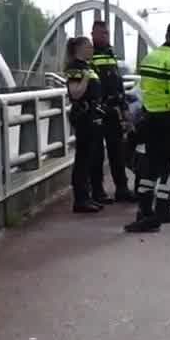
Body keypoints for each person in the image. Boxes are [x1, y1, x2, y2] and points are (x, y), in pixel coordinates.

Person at [123, 21, 170, 233]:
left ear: (166, 34)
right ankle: (162, 210)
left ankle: (145, 212)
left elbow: (144, 88)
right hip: (169, 119)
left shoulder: (149, 57)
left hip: (150, 117)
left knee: (150, 166)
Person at [87, 18, 135, 203]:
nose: (106, 36)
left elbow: (117, 83)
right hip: (98, 111)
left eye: (107, 33)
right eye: (102, 33)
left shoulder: (110, 53)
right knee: (97, 154)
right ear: (93, 34)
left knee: (117, 151)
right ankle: (98, 191)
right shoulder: (89, 55)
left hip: (114, 110)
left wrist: (124, 107)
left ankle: (121, 189)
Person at [64, 35, 106, 214]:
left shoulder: (87, 67)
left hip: (93, 116)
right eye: (89, 46)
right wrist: (86, 79)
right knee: (83, 158)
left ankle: (88, 196)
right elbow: (75, 94)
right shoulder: (75, 68)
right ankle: (80, 199)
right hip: (84, 117)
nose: (92, 49)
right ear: (80, 48)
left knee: (91, 157)